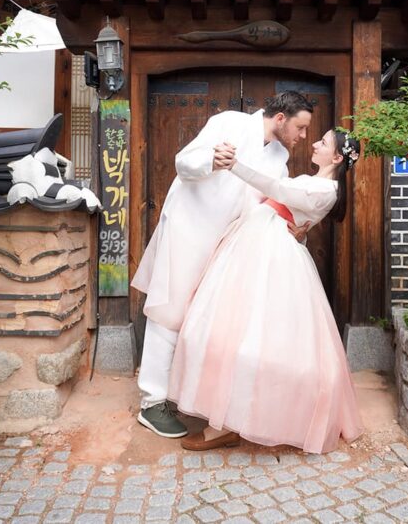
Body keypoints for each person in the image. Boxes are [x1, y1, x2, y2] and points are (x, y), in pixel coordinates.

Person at [131, 92, 314, 438]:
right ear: (280, 118)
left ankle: (184, 392)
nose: (302, 136)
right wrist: (211, 160)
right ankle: (152, 402)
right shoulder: (228, 122)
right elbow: (183, 163)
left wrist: (296, 228)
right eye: (300, 127)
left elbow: (271, 200)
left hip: (230, 242)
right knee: (168, 312)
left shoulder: (279, 157)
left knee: (204, 316)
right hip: (189, 229)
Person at [169, 129, 363, 454]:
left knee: (251, 336)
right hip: (260, 244)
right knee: (233, 331)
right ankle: (225, 419)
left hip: (271, 258)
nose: (314, 143)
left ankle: (232, 423)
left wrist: (235, 165)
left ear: (338, 158)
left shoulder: (326, 190)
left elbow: (277, 188)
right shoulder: (316, 182)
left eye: (323, 142)